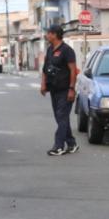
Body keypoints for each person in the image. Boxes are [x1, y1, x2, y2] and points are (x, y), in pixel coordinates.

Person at [40, 25, 79, 156]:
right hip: (54, 89)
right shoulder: (50, 49)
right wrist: (43, 84)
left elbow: (73, 70)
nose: (46, 36)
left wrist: (72, 89)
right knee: (60, 118)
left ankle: (59, 146)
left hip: (65, 89)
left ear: (55, 34)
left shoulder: (67, 50)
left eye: (48, 33)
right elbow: (45, 68)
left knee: (62, 116)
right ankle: (72, 144)